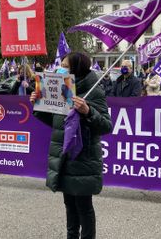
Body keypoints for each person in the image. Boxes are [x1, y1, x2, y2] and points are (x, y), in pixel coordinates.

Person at [30, 52, 112, 239]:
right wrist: (38, 105)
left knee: (84, 207)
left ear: (77, 68)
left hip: (82, 158)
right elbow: (56, 123)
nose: (60, 68)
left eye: (65, 66)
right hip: (64, 157)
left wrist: (88, 111)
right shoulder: (62, 87)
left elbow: (106, 126)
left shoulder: (94, 90)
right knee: (69, 204)